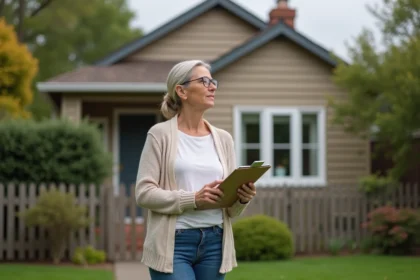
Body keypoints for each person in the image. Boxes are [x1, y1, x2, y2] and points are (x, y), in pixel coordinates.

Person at [135, 59, 257, 280]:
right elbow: (143, 193)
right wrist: (193, 198)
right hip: (173, 244)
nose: (212, 87)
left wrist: (242, 198)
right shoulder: (159, 135)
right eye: (204, 81)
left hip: (215, 243)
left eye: (213, 81)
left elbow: (230, 211)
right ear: (181, 91)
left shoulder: (223, 139)